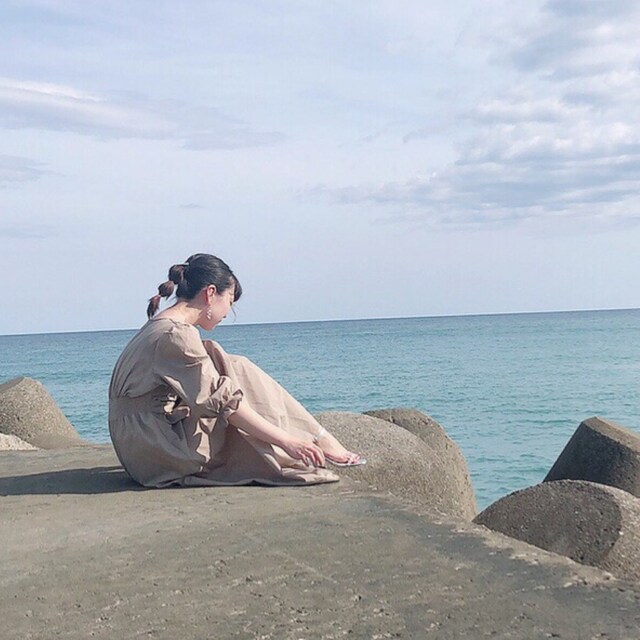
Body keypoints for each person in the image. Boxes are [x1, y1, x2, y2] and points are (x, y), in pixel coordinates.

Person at [108, 252, 364, 488]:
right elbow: (225, 405)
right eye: (229, 301)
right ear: (210, 293)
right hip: (158, 450)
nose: (228, 313)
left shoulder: (160, 325)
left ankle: (316, 436)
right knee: (231, 375)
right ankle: (316, 437)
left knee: (225, 361)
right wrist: (287, 442)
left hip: (138, 444)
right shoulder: (177, 335)